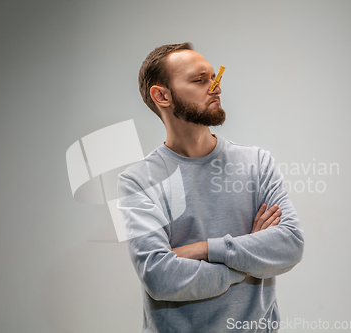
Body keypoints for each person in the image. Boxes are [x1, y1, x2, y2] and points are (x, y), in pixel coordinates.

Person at [116, 42, 304, 333]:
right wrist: (246, 258)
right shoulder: (139, 180)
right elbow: (160, 277)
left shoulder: (257, 163)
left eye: (214, 77)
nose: (215, 87)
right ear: (162, 95)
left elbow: (290, 245)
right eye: (199, 80)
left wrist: (201, 249)